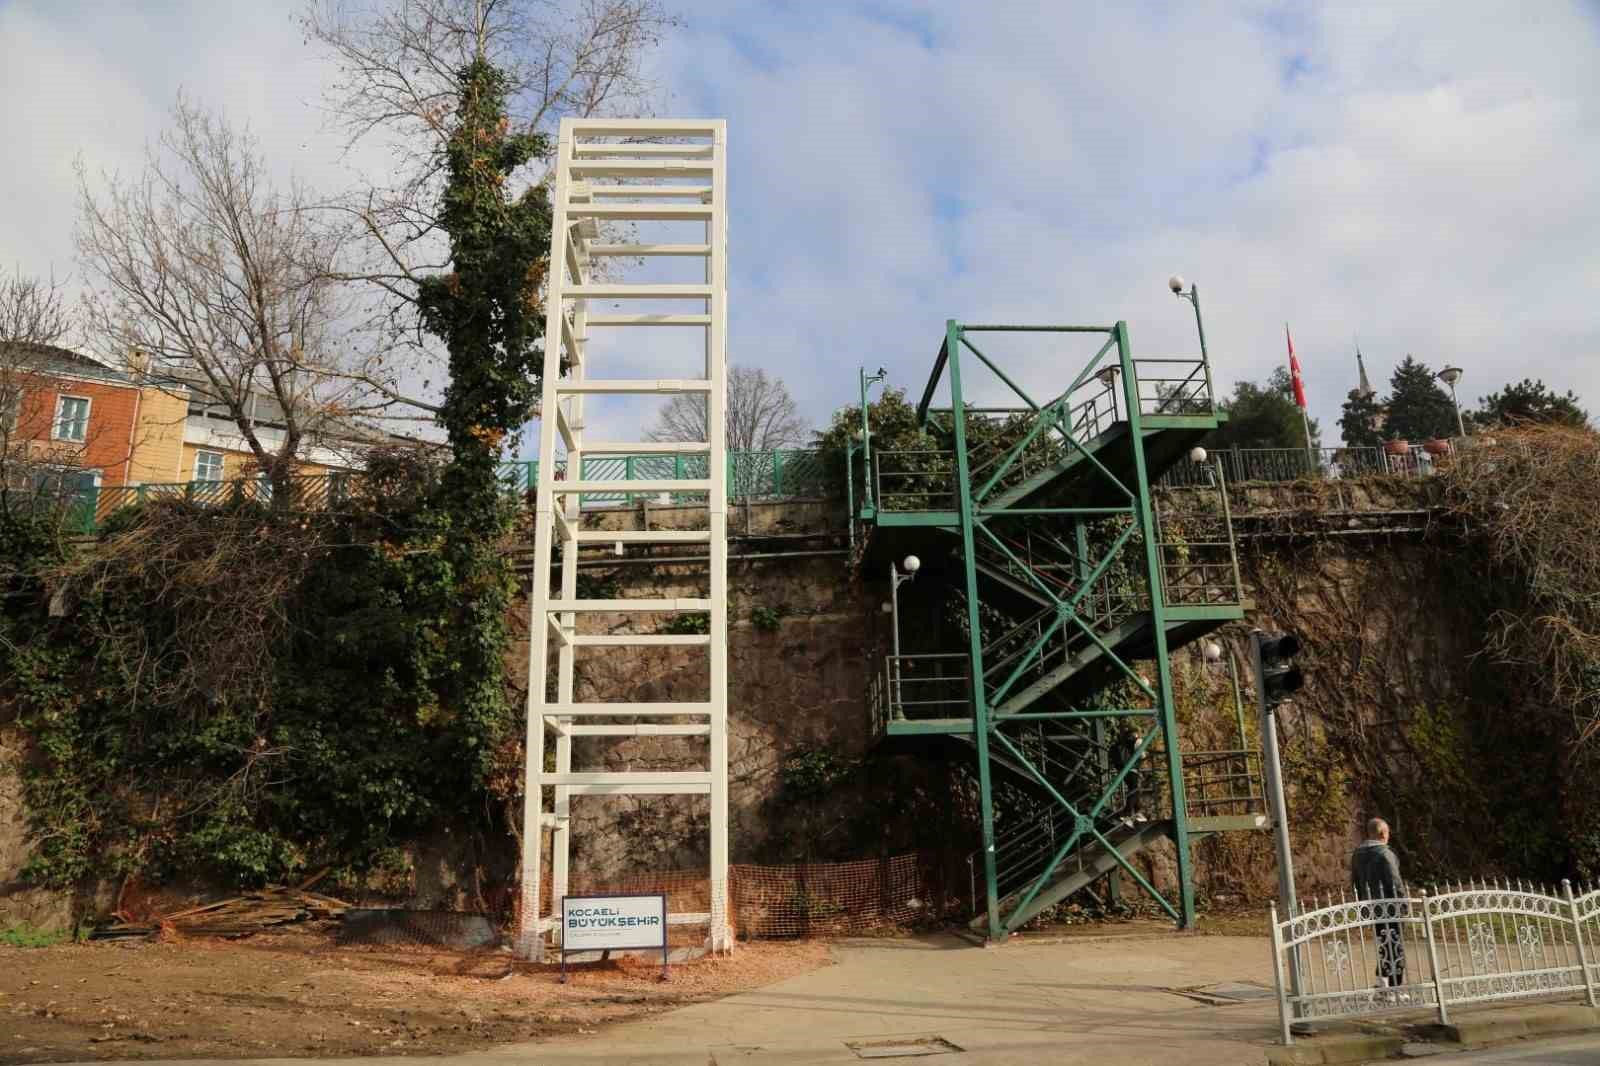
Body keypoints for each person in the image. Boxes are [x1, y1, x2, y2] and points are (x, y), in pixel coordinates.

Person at [1351, 817, 1406, 988]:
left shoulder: (1357, 854)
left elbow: (1356, 882)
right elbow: (1395, 882)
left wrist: (1362, 905)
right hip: (1390, 907)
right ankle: (1394, 987)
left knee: (1383, 944)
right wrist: (1403, 904)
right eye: (1388, 832)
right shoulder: (1385, 853)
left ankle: (1382, 982)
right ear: (1383, 833)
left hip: (1371, 907)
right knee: (1395, 946)